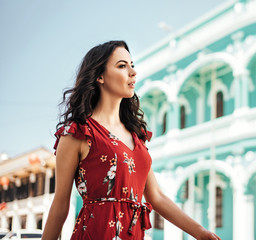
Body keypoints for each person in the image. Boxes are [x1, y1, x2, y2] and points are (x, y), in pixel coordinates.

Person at [42, 40, 221, 240]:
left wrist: (201, 233)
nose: (133, 72)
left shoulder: (136, 137)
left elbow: (157, 197)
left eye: (132, 65)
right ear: (99, 76)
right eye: (122, 66)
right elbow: (60, 204)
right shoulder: (79, 132)